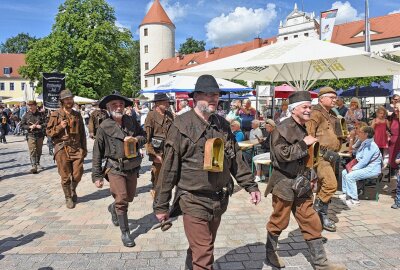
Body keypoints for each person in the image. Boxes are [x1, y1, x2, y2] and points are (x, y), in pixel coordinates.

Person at [153, 74, 261, 270]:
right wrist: (161, 205)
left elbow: (236, 159)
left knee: (203, 245)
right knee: (204, 255)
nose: (213, 98)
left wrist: (250, 186)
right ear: (195, 97)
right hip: (192, 199)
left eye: (216, 94)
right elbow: (169, 169)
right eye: (207, 94)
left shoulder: (222, 125)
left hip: (219, 200)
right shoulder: (181, 125)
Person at [264, 91, 345, 270]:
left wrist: (312, 175)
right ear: (294, 110)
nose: (309, 110)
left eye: (310, 106)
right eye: (305, 107)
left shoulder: (305, 126)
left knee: (311, 221)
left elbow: (311, 155)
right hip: (284, 183)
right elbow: (281, 155)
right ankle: (270, 253)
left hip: (303, 182)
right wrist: (303, 144)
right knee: (279, 221)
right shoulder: (282, 128)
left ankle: (321, 263)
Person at [92, 91, 146, 247]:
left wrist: (136, 139)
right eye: (114, 104)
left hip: (132, 166)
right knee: (122, 199)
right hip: (115, 167)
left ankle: (113, 207)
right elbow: (97, 152)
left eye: (121, 104)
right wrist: (97, 176)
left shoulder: (131, 121)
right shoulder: (104, 126)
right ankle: (126, 233)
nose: (118, 107)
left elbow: (144, 136)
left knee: (129, 197)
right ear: (108, 107)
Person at [306, 87, 342, 232]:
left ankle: (322, 217)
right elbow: (309, 135)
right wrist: (317, 153)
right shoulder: (315, 113)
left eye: (335, 97)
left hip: (332, 155)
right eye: (331, 97)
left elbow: (338, 133)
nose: (335, 100)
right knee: (331, 185)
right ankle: (315, 213)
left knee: (323, 186)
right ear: (321, 99)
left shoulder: (332, 114)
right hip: (321, 155)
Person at [46, 89, 87, 209]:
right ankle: (68, 197)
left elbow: (82, 133)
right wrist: (59, 127)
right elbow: (49, 132)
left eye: (70, 99)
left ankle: (73, 189)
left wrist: (84, 148)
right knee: (65, 175)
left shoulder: (77, 114)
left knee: (78, 174)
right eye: (66, 99)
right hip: (62, 148)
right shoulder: (55, 114)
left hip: (76, 147)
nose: (69, 101)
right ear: (62, 101)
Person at [340, 126, 382, 207]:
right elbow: (353, 150)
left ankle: (354, 200)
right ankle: (346, 194)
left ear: (366, 134)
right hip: (366, 167)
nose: (358, 133)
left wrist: (353, 169)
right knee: (344, 172)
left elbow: (364, 161)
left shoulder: (371, 145)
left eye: (360, 132)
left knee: (350, 176)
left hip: (372, 169)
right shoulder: (364, 142)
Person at [144, 93, 174, 198]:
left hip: (169, 150)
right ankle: (157, 199)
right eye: (165, 102)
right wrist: (153, 154)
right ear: (157, 103)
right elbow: (147, 138)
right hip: (157, 151)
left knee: (167, 177)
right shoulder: (151, 115)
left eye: (168, 102)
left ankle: (164, 198)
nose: (168, 104)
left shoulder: (169, 114)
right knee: (158, 177)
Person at [20, 100, 46, 173]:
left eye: (32, 105)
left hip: (40, 135)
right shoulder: (26, 115)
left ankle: (37, 163)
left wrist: (41, 126)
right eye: (29, 105)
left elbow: (46, 123)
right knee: (32, 150)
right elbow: (22, 125)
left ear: (35, 105)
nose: (30, 106)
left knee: (39, 150)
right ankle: (34, 166)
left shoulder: (41, 114)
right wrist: (29, 126)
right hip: (31, 135)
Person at [388, 103, 400, 178]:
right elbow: (389, 126)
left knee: (397, 160)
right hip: (393, 140)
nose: (395, 109)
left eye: (397, 108)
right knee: (392, 159)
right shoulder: (393, 116)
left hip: (398, 141)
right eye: (394, 107)